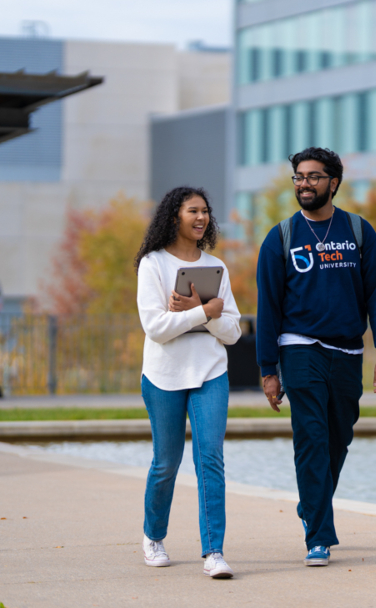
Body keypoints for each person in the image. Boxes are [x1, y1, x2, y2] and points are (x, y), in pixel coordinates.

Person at [256, 147, 376, 567]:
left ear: (333, 182)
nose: (304, 184)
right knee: (311, 438)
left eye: (314, 177)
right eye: (298, 176)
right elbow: (268, 308)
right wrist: (268, 369)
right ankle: (319, 535)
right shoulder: (279, 237)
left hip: (348, 351)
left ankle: (312, 504)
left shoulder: (358, 231)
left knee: (338, 438)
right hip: (299, 348)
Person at [134, 186, 242, 579]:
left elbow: (232, 331)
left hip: (210, 372)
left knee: (209, 458)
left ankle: (213, 551)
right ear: (173, 216)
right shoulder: (153, 265)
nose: (202, 218)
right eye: (193, 211)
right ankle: (154, 536)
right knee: (167, 462)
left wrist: (202, 312)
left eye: (206, 212)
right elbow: (156, 328)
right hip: (163, 375)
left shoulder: (217, 267)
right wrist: (204, 312)